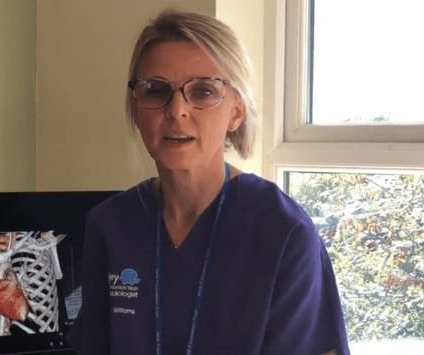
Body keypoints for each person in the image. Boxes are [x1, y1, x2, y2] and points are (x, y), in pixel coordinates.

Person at [69, 9, 351, 355]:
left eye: (202, 91)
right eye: (156, 91)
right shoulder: (110, 225)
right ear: (136, 108)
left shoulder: (284, 232)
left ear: (236, 110)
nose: (176, 110)